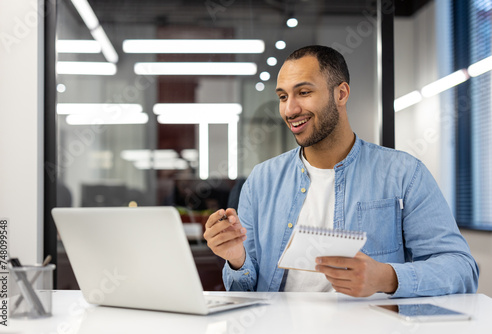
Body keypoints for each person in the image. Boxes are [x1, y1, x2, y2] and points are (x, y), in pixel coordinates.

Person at [203, 45, 479, 297]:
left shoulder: (404, 174)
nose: (290, 109)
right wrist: (236, 259)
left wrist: (387, 277)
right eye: (283, 96)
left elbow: (461, 269)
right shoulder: (262, 180)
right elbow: (243, 288)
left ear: (341, 93)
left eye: (304, 92)